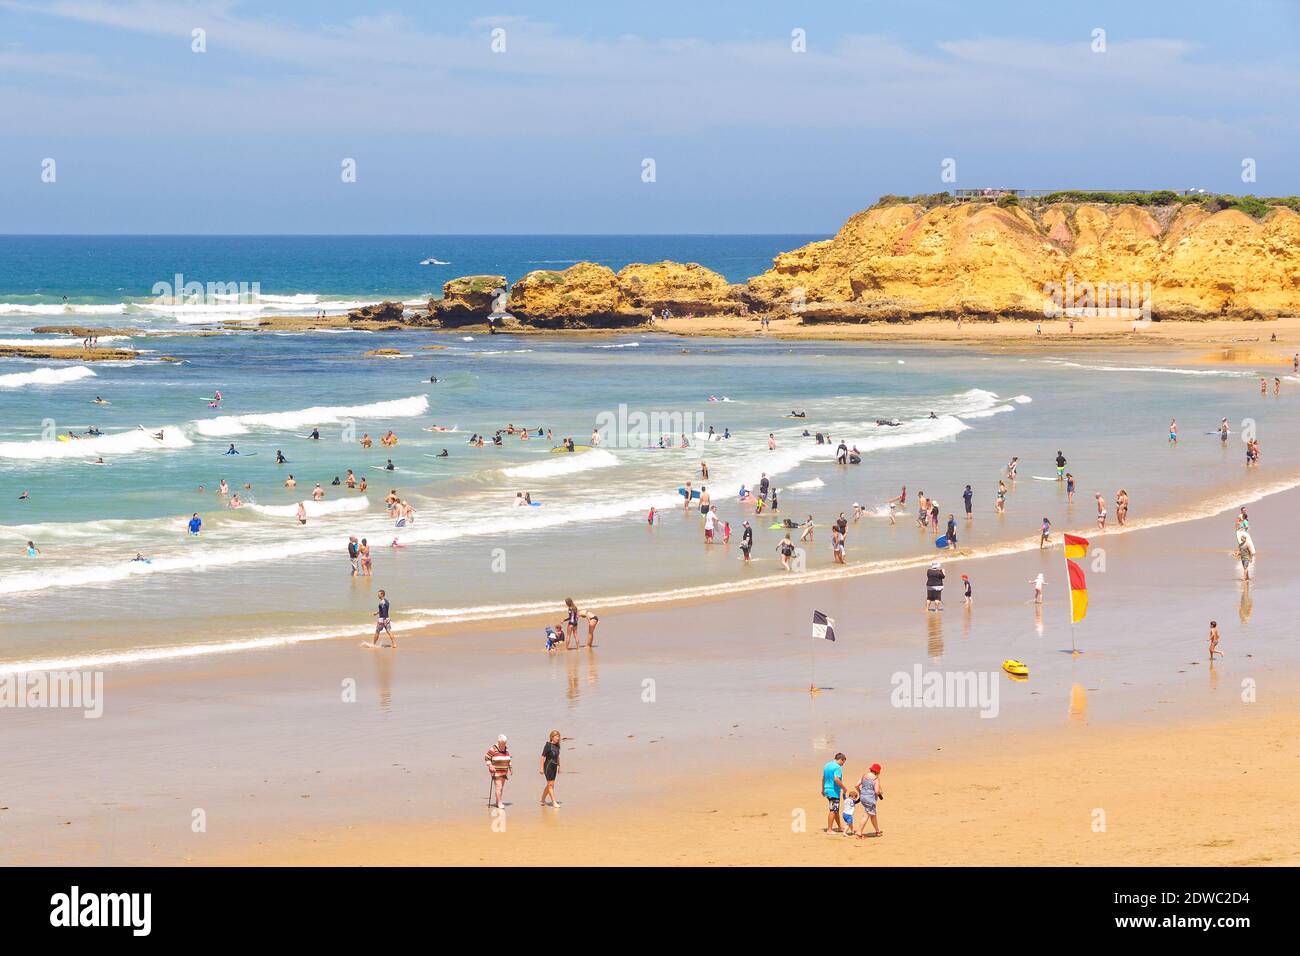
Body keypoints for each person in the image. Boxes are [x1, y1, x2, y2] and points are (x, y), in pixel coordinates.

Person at [822, 753, 847, 834]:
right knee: (833, 810)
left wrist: (822, 789)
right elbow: (836, 779)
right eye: (843, 762)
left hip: (827, 789)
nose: (843, 764)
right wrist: (844, 788)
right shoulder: (837, 767)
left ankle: (840, 827)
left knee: (836, 809)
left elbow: (823, 778)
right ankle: (829, 829)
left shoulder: (827, 765)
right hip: (834, 791)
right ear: (841, 759)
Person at [855, 763, 883, 839]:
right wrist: (881, 792)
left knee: (873, 814)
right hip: (870, 799)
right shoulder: (875, 779)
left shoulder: (864, 775)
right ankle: (859, 833)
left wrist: (860, 792)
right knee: (866, 815)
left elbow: (856, 785)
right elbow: (877, 791)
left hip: (863, 797)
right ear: (877, 771)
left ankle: (877, 831)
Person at [485, 735, 512, 809]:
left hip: (504, 771)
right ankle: (500, 803)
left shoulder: (506, 749)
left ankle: (497, 801)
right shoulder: (493, 748)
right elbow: (487, 757)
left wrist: (510, 768)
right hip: (495, 771)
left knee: (501, 787)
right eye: (502, 743)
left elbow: (508, 758)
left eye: (505, 743)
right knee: (498, 787)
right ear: (499, 742)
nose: (504, 744)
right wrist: (490, 766)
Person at [540, 730, 562, 807]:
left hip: (554, 767)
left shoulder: (557, 746)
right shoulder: (548, 745)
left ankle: (542, 800)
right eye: (556, 737)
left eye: (558, 737)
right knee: (550, 784)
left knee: (550, 784)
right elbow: (543, 756)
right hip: (548, 766)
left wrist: (559, 766)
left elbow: (557, 757)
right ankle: (554, 802)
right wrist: (541, 768)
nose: (558, 738)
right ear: (552, 737)